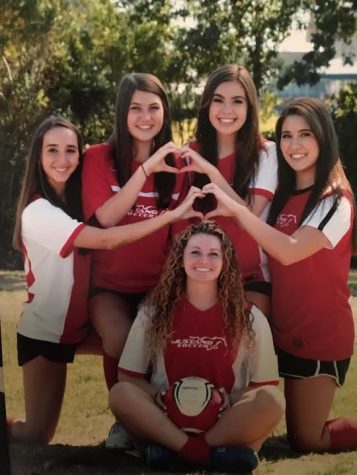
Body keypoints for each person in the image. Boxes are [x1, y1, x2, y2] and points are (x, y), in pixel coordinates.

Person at [9, 116, 202, 444]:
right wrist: (169, 216)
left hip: (82, 325)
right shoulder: (38, 212)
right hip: (48, 331)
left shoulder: (75, 202)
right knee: (35, 434)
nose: (62, 159)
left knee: (143, 342)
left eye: (71, 150)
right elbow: (108, 239)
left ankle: (144, 424)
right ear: (38, 158)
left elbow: (111, 209)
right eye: (52, 150)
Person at [202, 97, 357, 453]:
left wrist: (239, 215)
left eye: (305, 134)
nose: (294, 145)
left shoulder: (336, 201)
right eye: (286, 136)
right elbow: (250, 222)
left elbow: (287, 250)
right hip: (277, 330)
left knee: (308, 440)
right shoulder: (283, 194)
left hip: (317, 334)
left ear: (324, 138)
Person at [109, 222, 284, 472]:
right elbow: (127, 376)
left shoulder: (250, 317)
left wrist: (228, 399)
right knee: (120, 394)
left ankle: (175, 454)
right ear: (180, 259)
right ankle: (213, 455)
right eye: (195, 252)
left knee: (273, 401)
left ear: (226, 262)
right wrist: (159, 397)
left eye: (214, 254)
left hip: (224, 422)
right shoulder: (154, 312)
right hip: (167, 420)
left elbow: (265, 385)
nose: (204, 260)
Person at [81, 72, 192, 448]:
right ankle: (127, 423)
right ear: (121, 113)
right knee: (120, 337)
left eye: (154, 108)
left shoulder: (178, 166)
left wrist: (167, 293)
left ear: (165, 113)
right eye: (136, 108)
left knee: (161, 339)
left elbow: (179, 236)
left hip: (156, 285)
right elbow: (107, 218)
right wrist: (146, 169)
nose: (145, 117)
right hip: (109, 287)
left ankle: (169, 420)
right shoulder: (98, 157)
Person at [177, 65, 278, 316]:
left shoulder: (267, 154)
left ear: (249, 107)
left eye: (237, 101)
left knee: (250, 336)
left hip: (250, 276)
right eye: (218, 100)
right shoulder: (190, 153)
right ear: (207, 105)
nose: (227, 110)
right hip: (199, 275)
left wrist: (211, 172)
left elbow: (249, 216)